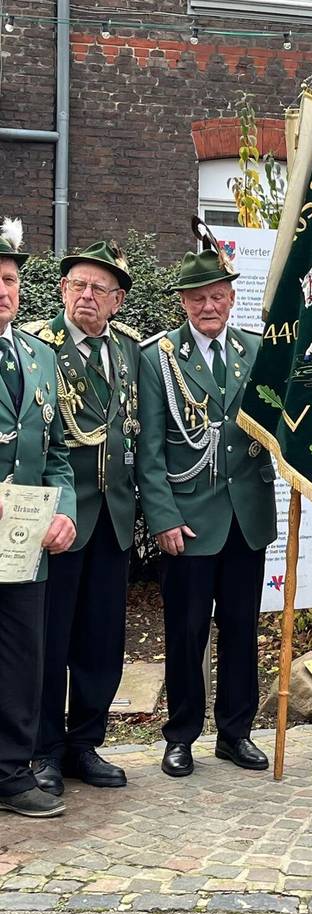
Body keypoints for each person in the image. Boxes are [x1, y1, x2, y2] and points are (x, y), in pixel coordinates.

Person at [137, 228, 277, 778]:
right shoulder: (159, 358)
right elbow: (150, 449)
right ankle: (181, 736)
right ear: (183, 303)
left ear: (232, 297)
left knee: (241, 631)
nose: (209, 306)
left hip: (246, 518)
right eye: (198, 298)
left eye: (217, 295)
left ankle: (236, 734)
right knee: (187, 634)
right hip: (189, 521)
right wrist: (163, 518)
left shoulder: (255, 351)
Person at [21, 241, 139, 795]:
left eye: (99, 288)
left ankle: (85, 743)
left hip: (114, 517)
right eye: (77, 285)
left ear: (117, 301)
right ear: (62, 290)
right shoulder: (38, 346)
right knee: (50, 640)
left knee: (101, 640)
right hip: (59, 522)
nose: (86, 296)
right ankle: (43, 749)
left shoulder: (130, 350)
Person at [0, 218, 76, 818]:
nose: (3, 290)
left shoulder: (39, 356)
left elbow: (56, 454)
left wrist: (63, 513)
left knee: (22, 656)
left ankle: (10, 770)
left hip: (24, 543)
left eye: (9, 280)